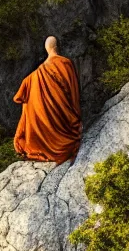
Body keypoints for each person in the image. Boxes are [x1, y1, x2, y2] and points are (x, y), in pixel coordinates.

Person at [13, 36, 82, 164]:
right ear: (57, 47)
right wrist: (77, 121)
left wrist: (19, 134)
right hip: (66, 131)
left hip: (41, 141)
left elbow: (25, 112)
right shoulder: (65, 63)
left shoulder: (31, 79)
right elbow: (74, 94)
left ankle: (42, 144)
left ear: (46, 49)